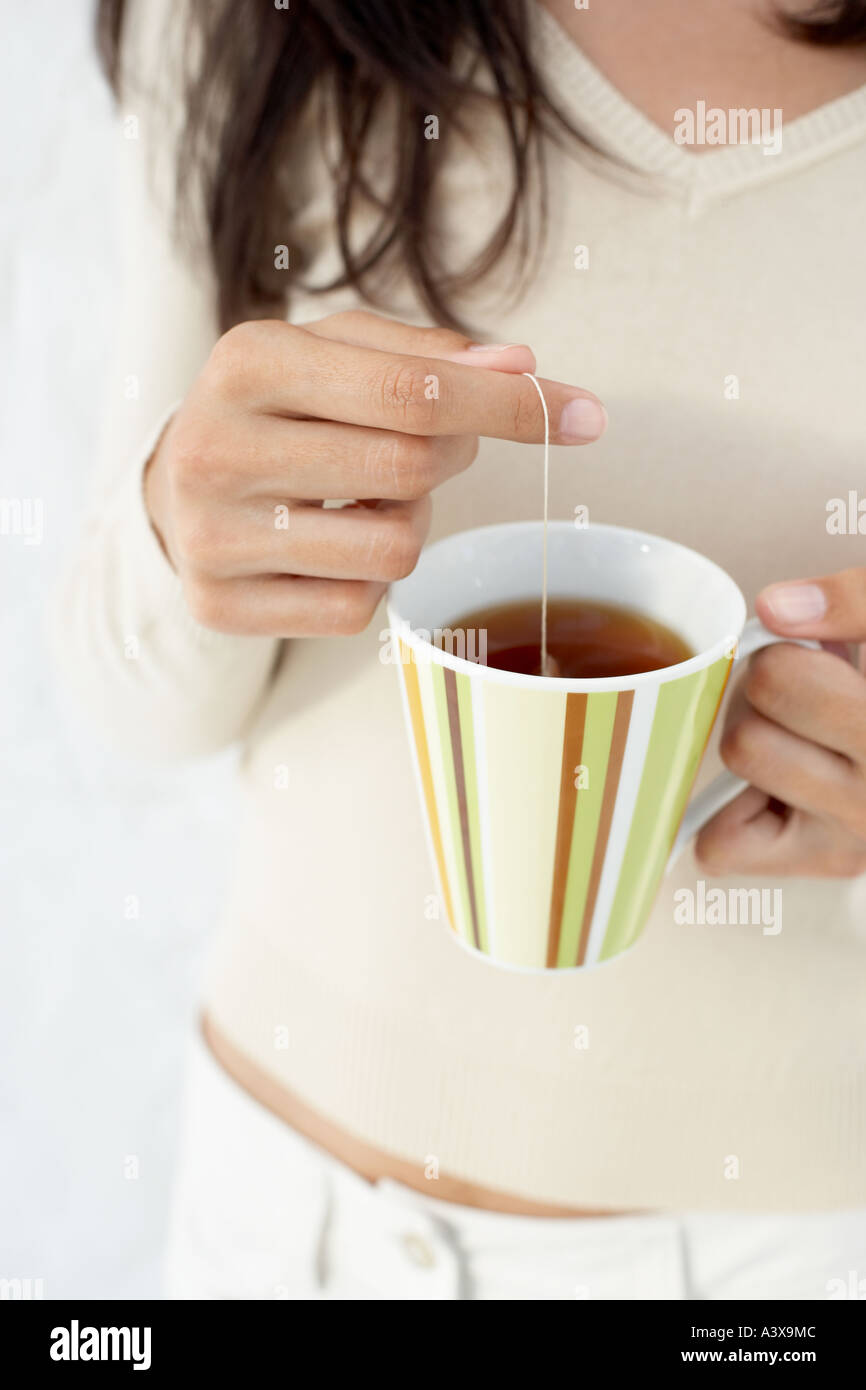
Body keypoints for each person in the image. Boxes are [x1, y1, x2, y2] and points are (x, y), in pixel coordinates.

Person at [60, 0, 866, 1298]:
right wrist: (177, 524)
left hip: (772, 1268)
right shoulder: (245, 23)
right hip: (272, 1221)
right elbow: (138, 711)